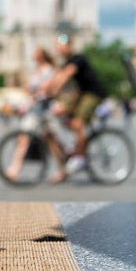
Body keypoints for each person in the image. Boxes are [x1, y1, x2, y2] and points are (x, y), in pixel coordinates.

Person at [40, 33, 107, 184]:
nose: (60, 49)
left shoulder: (78, 59)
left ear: (69, 46)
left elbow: (64, 77)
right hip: (81, 95)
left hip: (93, 94)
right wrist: (41, 89)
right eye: (58, 46)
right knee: (60, 116)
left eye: (62, 45)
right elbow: (55, 78)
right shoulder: (65, 63)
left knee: (77, 124)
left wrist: (52, 90)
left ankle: (80, 158)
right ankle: (75, 150)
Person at [4, 48, 56, 181]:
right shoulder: (37, 71)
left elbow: (47, 89)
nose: (34, 57)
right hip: (34, 108)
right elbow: (29, 88)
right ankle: (15, 168)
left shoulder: (49, 70)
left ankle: (15, 169)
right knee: (36, 139)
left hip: (42, 109)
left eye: (36, 54)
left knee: (29, 138)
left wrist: (34, 91)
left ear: (42, 56)